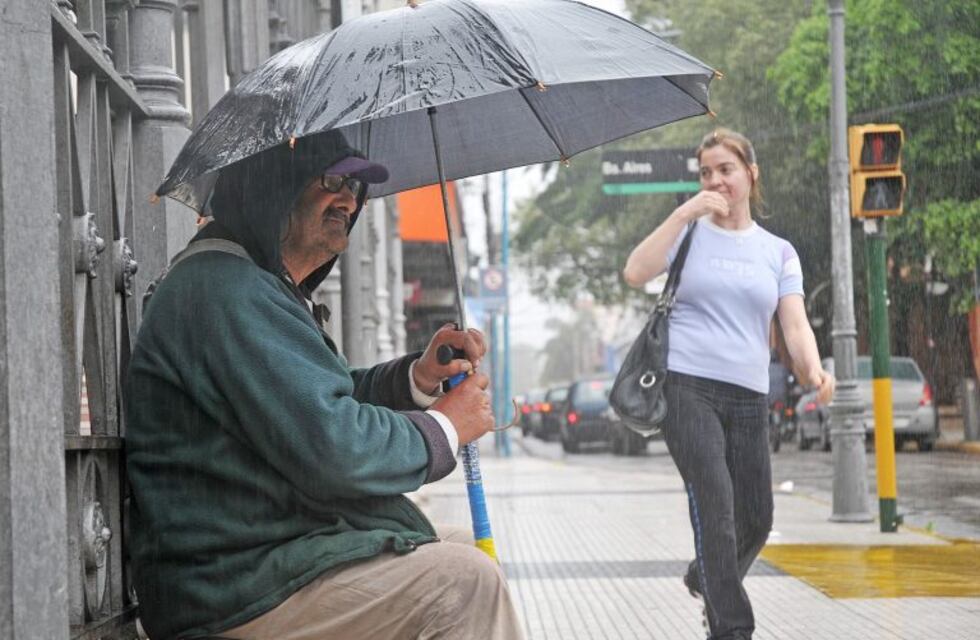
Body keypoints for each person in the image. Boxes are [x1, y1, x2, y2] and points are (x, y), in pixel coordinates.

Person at [125, 131, 524, 640]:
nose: (348, 200)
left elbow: (316, 399)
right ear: (273, 186)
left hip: (273, 555)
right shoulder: (225, 290)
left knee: (463, 551)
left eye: (356, 187)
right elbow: (335, 449)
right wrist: (445, 427)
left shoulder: (252, 286)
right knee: (465, 583)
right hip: (233, 587)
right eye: (332, 181)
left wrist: (416, 381)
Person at [622, 128, 835, 640]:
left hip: (748, 395)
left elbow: (795, 323)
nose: (715, 180)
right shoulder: (689, 236)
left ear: (750, 175)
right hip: (687, 390)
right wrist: (683, 213)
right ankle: (732, 628)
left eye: (725, 169)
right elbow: (634, 272)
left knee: (756, 518)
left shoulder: (777, 251)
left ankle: (707, 577)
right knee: (716, 506)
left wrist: (813, 371)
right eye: (705, 172)